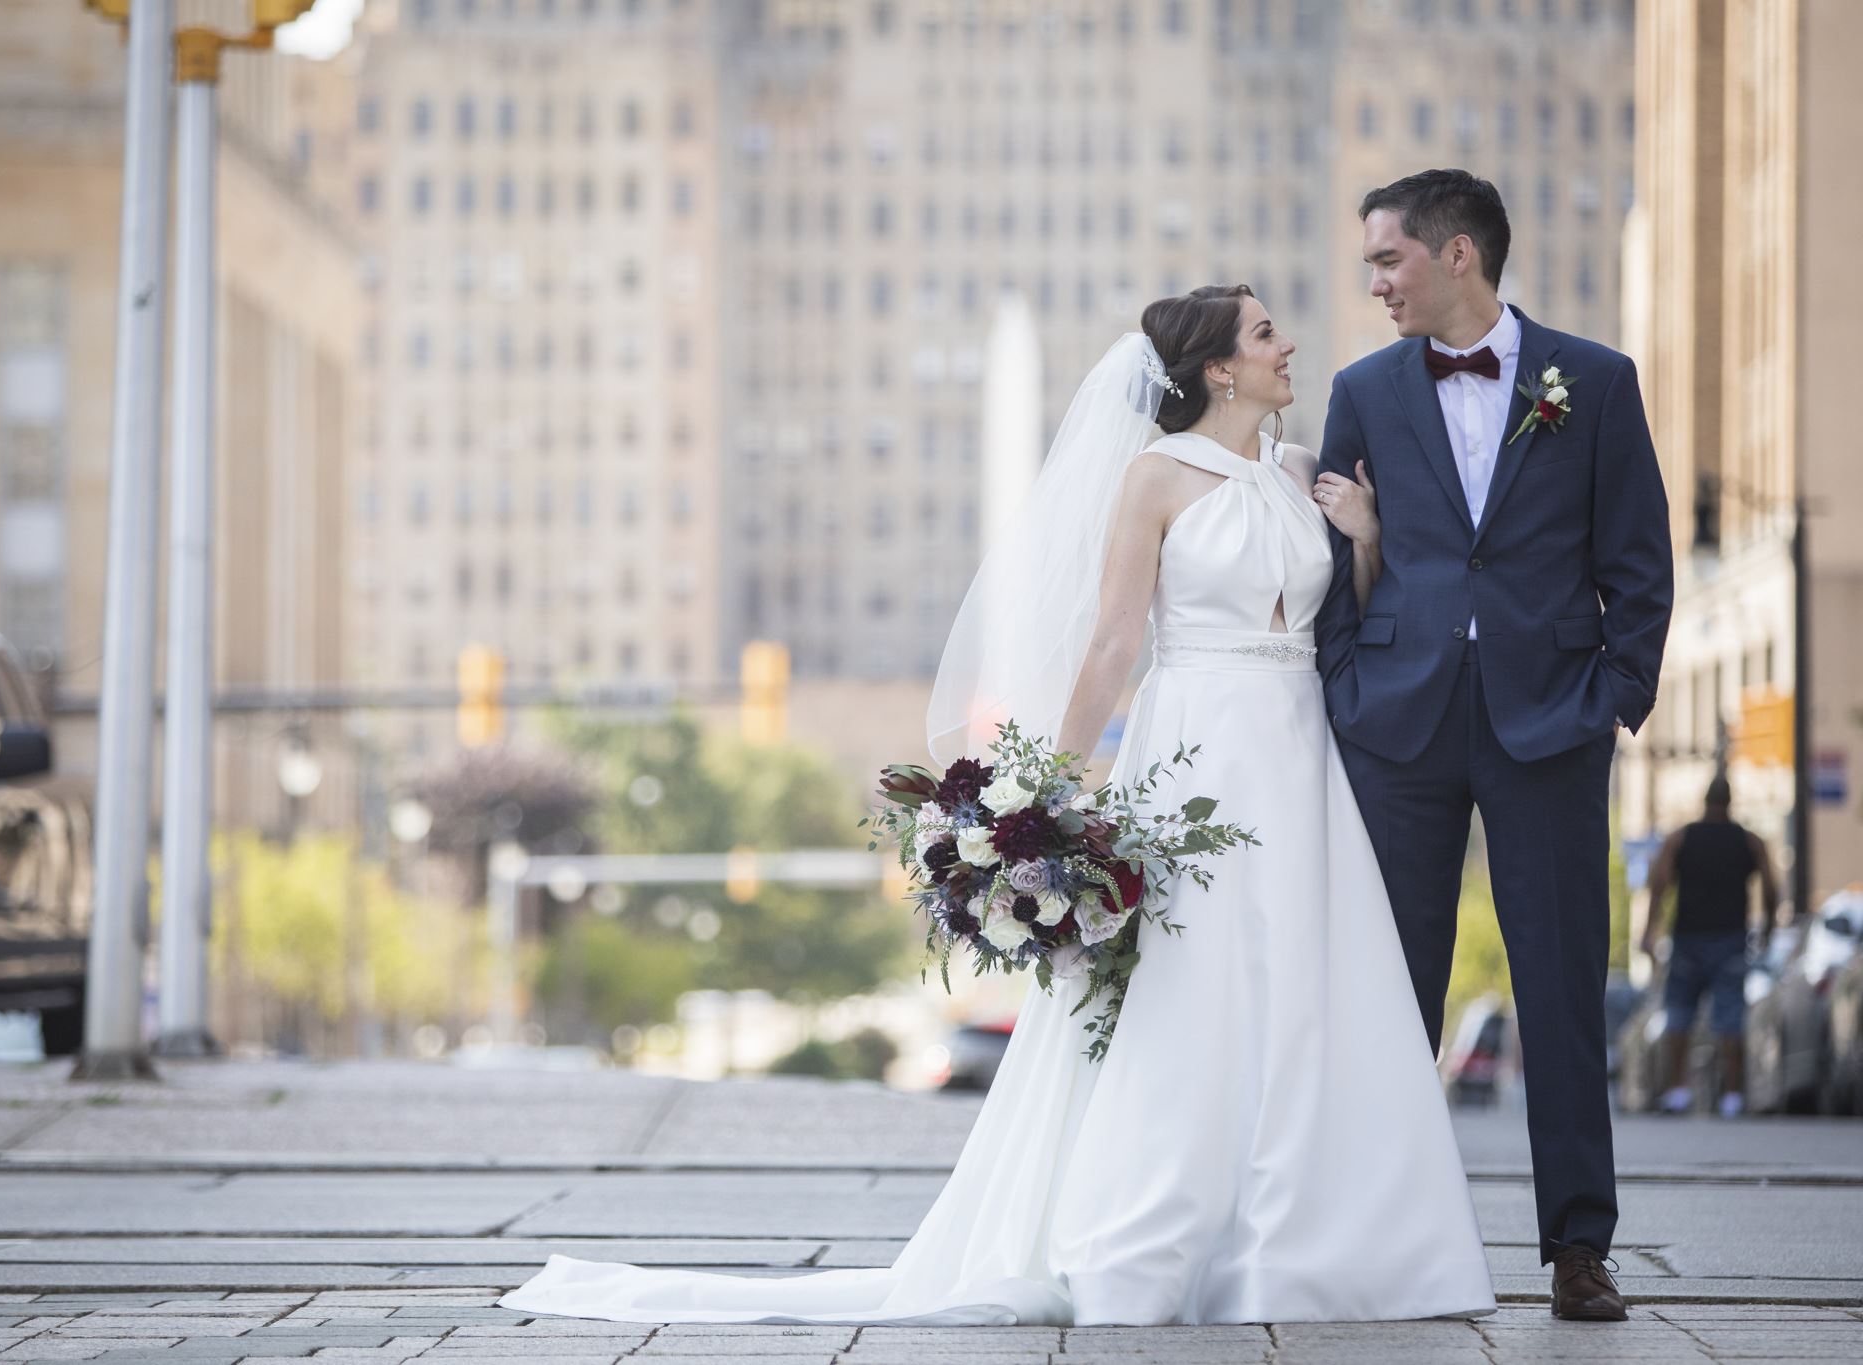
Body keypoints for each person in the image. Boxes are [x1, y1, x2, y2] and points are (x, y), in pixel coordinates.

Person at [496, 287, 1496, 1327]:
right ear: (1214, 370)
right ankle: (1158, 1238)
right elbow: (1114, 641)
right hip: (1195, 743)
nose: (1286, 345)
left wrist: (1366, 538)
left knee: (1305, 977)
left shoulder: (1301, 476)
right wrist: (1052, 793)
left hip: (1299, 756)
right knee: (1189, 983)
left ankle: (1300, 1245)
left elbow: (1362, 618)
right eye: (1262, 335)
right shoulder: (1153, 477)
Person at [1313, 170, 1674, 1323]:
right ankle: (1379, 1234)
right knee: (1392, 990)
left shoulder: (1595, 382)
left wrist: (1611, 696)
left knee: (1560, 986)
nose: (1372, 282)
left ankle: (1577, 1247)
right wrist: (1343, 682)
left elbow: (1638, 561)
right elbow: (1334, 553)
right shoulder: (1361, 389)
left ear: (1455, 253)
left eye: (1387, 260)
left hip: (1548, 723)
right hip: (1398, 726)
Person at [1639, 777, 1783, 1118]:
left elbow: (1659, 885)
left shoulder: (1681, 838)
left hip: (1688, 937)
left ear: (1705, 801)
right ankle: (1732, 1095)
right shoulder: (1748, 841)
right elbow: (1772, 886)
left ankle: (1678, 1090)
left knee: (1679, 1015)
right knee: (1730, 1018)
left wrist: (1649, 931)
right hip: (1731, 939)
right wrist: (1770, 927)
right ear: (1730, 802)